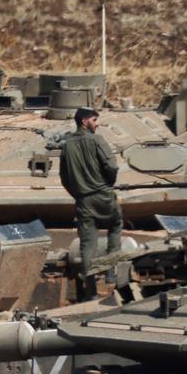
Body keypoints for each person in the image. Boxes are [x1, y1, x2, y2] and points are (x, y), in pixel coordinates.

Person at [59, 106, 122, 285]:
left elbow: (64, 177)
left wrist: (78, 193)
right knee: (116, 226)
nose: (97, 124)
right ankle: (110, 273)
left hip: (83, 199)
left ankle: (90, 286)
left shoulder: (66, 145)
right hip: (103, 195)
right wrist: (108, 185)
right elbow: (112, 166)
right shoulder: (97, 140)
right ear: (84, 121)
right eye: (94, 120)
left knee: (87, 242)